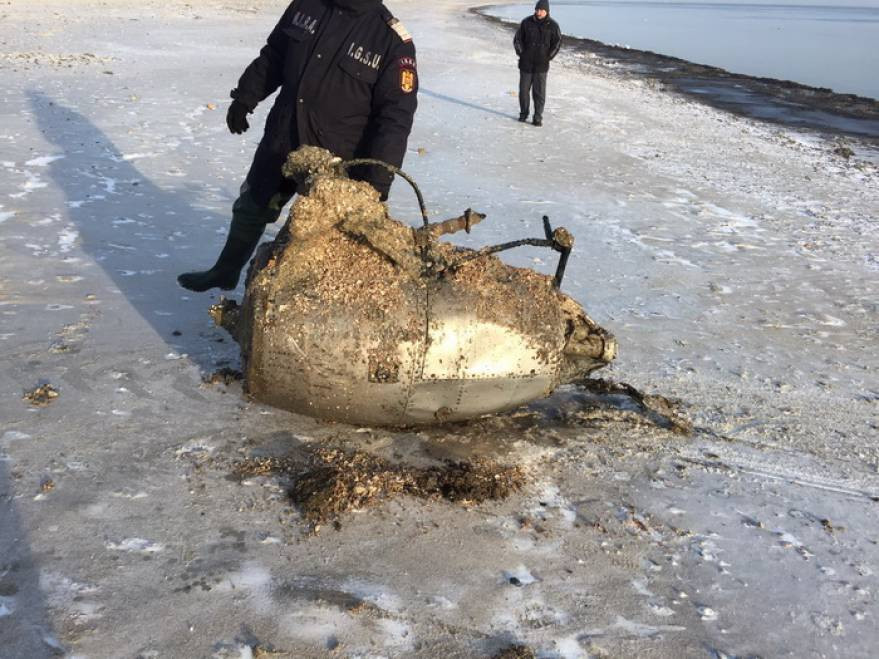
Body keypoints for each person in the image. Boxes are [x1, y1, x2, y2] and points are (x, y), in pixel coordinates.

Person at [178, 0, 418, 292]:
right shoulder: (307, 6)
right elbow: (275, 56)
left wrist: (377, 183)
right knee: (252, 205)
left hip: (336, 161)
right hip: (283, 136)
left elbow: (395, 119)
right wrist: (245, 97)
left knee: (328, 237)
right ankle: (225, 271)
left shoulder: (391, 41)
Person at [513, 0, 561, 127]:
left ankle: (538, 117)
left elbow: (557, 43)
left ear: (547, 11)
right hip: (526, 64)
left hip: (541, 65)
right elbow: (517, 39)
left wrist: (548, 57)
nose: (538, 12)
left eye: (541, 10)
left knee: (539, 93)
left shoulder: (553, 26)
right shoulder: (526, 22)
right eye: (537, 9)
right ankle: (523, 114)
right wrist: (521, 54)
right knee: (523, 91)